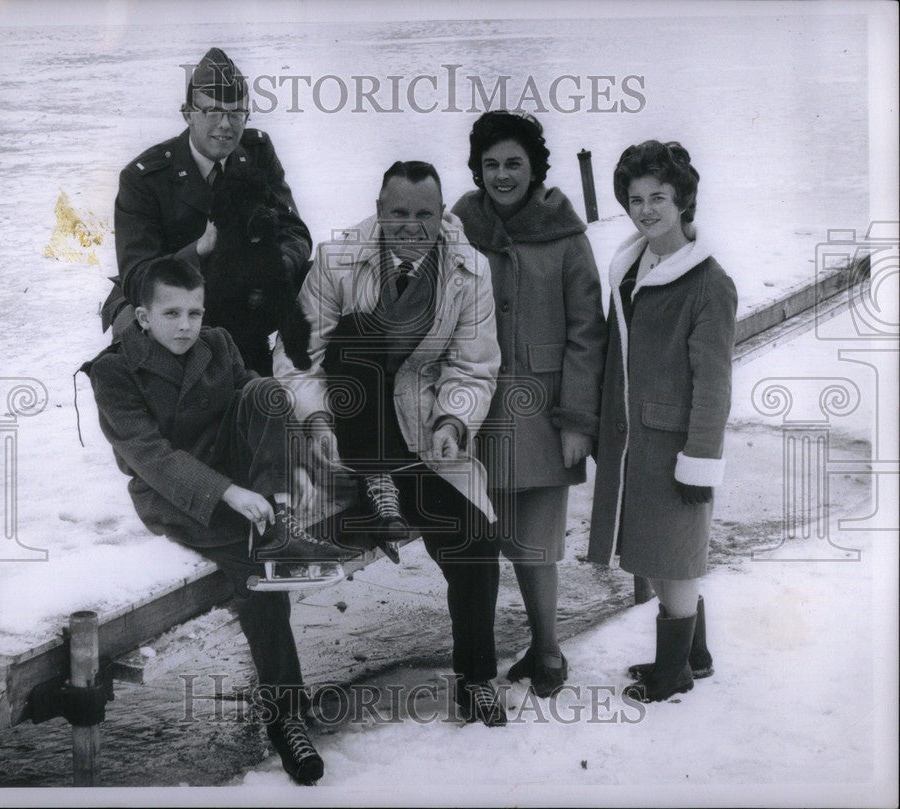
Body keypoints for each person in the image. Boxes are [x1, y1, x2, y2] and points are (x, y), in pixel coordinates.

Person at [83, 257, 342, 785]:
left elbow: (261, 405)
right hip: (175, 494)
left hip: (237, 475)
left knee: (269, 390)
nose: (185, 325)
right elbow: (151, 456)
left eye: (194, 313)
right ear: (142, 316)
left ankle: (276, 526)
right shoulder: (114, 372)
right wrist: (227, 492)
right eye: (171, 313)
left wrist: (303, 461)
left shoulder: (218, 343)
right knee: (257, 573)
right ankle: (286, 718)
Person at [273, 161, 508, 725]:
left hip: (422, 437)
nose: (411, 226)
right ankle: (373, 479)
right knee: (355, 333)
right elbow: (295, 356)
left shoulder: (468, 270)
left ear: (442, 213)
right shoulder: (337, 261)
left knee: (476, 541)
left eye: (424, 215)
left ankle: (475, 679)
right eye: (398, 214)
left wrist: (454, 423)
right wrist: (316, 423)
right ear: (379, 211)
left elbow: (473, 368)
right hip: (345, 432)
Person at [451, 111, 606, 698]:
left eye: (514, 163)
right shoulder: (459, 226)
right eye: (490, 165)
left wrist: (577, 422)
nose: (502, 175)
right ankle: (481, 668)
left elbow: (586, 335)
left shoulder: (566, 237)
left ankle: (548, 651)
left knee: (537, 543)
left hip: (543, 416)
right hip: (477, 411)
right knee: (486, 543)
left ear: (535, 167)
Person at [586, 140, 737, 703]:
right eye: (635, 199)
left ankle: (672, 672)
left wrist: (699, 462)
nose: (646, 210)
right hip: (634, 439)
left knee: (675, 554)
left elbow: (714, 385)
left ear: (683, 201)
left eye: (658, 197)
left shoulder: (709, 283)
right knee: (662, 549)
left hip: (675, 443)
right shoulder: (630, 269)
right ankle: (692, 655)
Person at [101, 46, 312, 353]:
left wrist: (271, 267)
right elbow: (138, 279)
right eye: (211, 111)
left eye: (236, 112)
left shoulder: (257, 154)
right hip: (174, 299)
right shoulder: (144, 177)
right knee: (135, 338)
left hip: (245, 288)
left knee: (327, 283)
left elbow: (295, 232)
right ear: (188, 114)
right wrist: (200, 249)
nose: (225, 123)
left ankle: (301, 388)